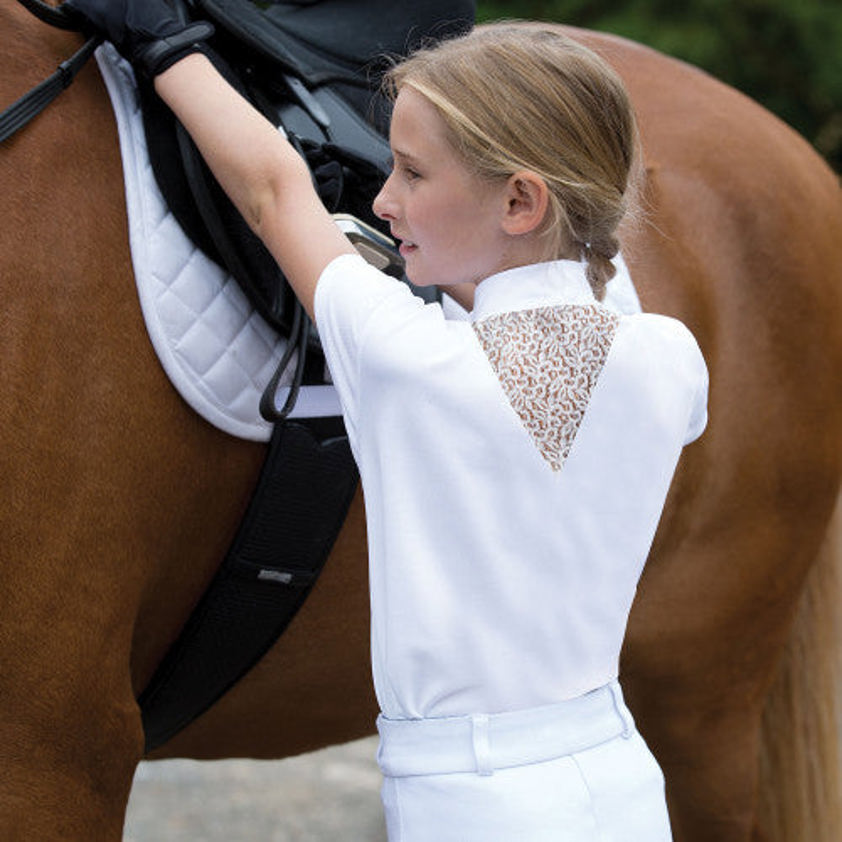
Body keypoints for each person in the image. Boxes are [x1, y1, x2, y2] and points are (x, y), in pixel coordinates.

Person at [65, 3, 709, 840]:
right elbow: (587, 286)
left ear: (521, 200)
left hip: (472, 805)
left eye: (411, 172)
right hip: (617, 780)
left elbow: (272, 191)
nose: (383, 198)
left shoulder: (409, 359)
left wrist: (164, 42)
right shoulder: (670, 357)